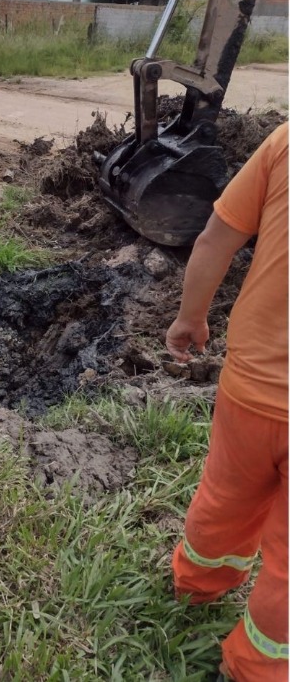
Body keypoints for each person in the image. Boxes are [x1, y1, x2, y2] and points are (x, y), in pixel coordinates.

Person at [165, 122, 287, 681]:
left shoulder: (285, 142)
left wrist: (191, 316)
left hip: (251, 383)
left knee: (226, 496)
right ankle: (257, 668)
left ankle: (196, 589)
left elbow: (216, 235)